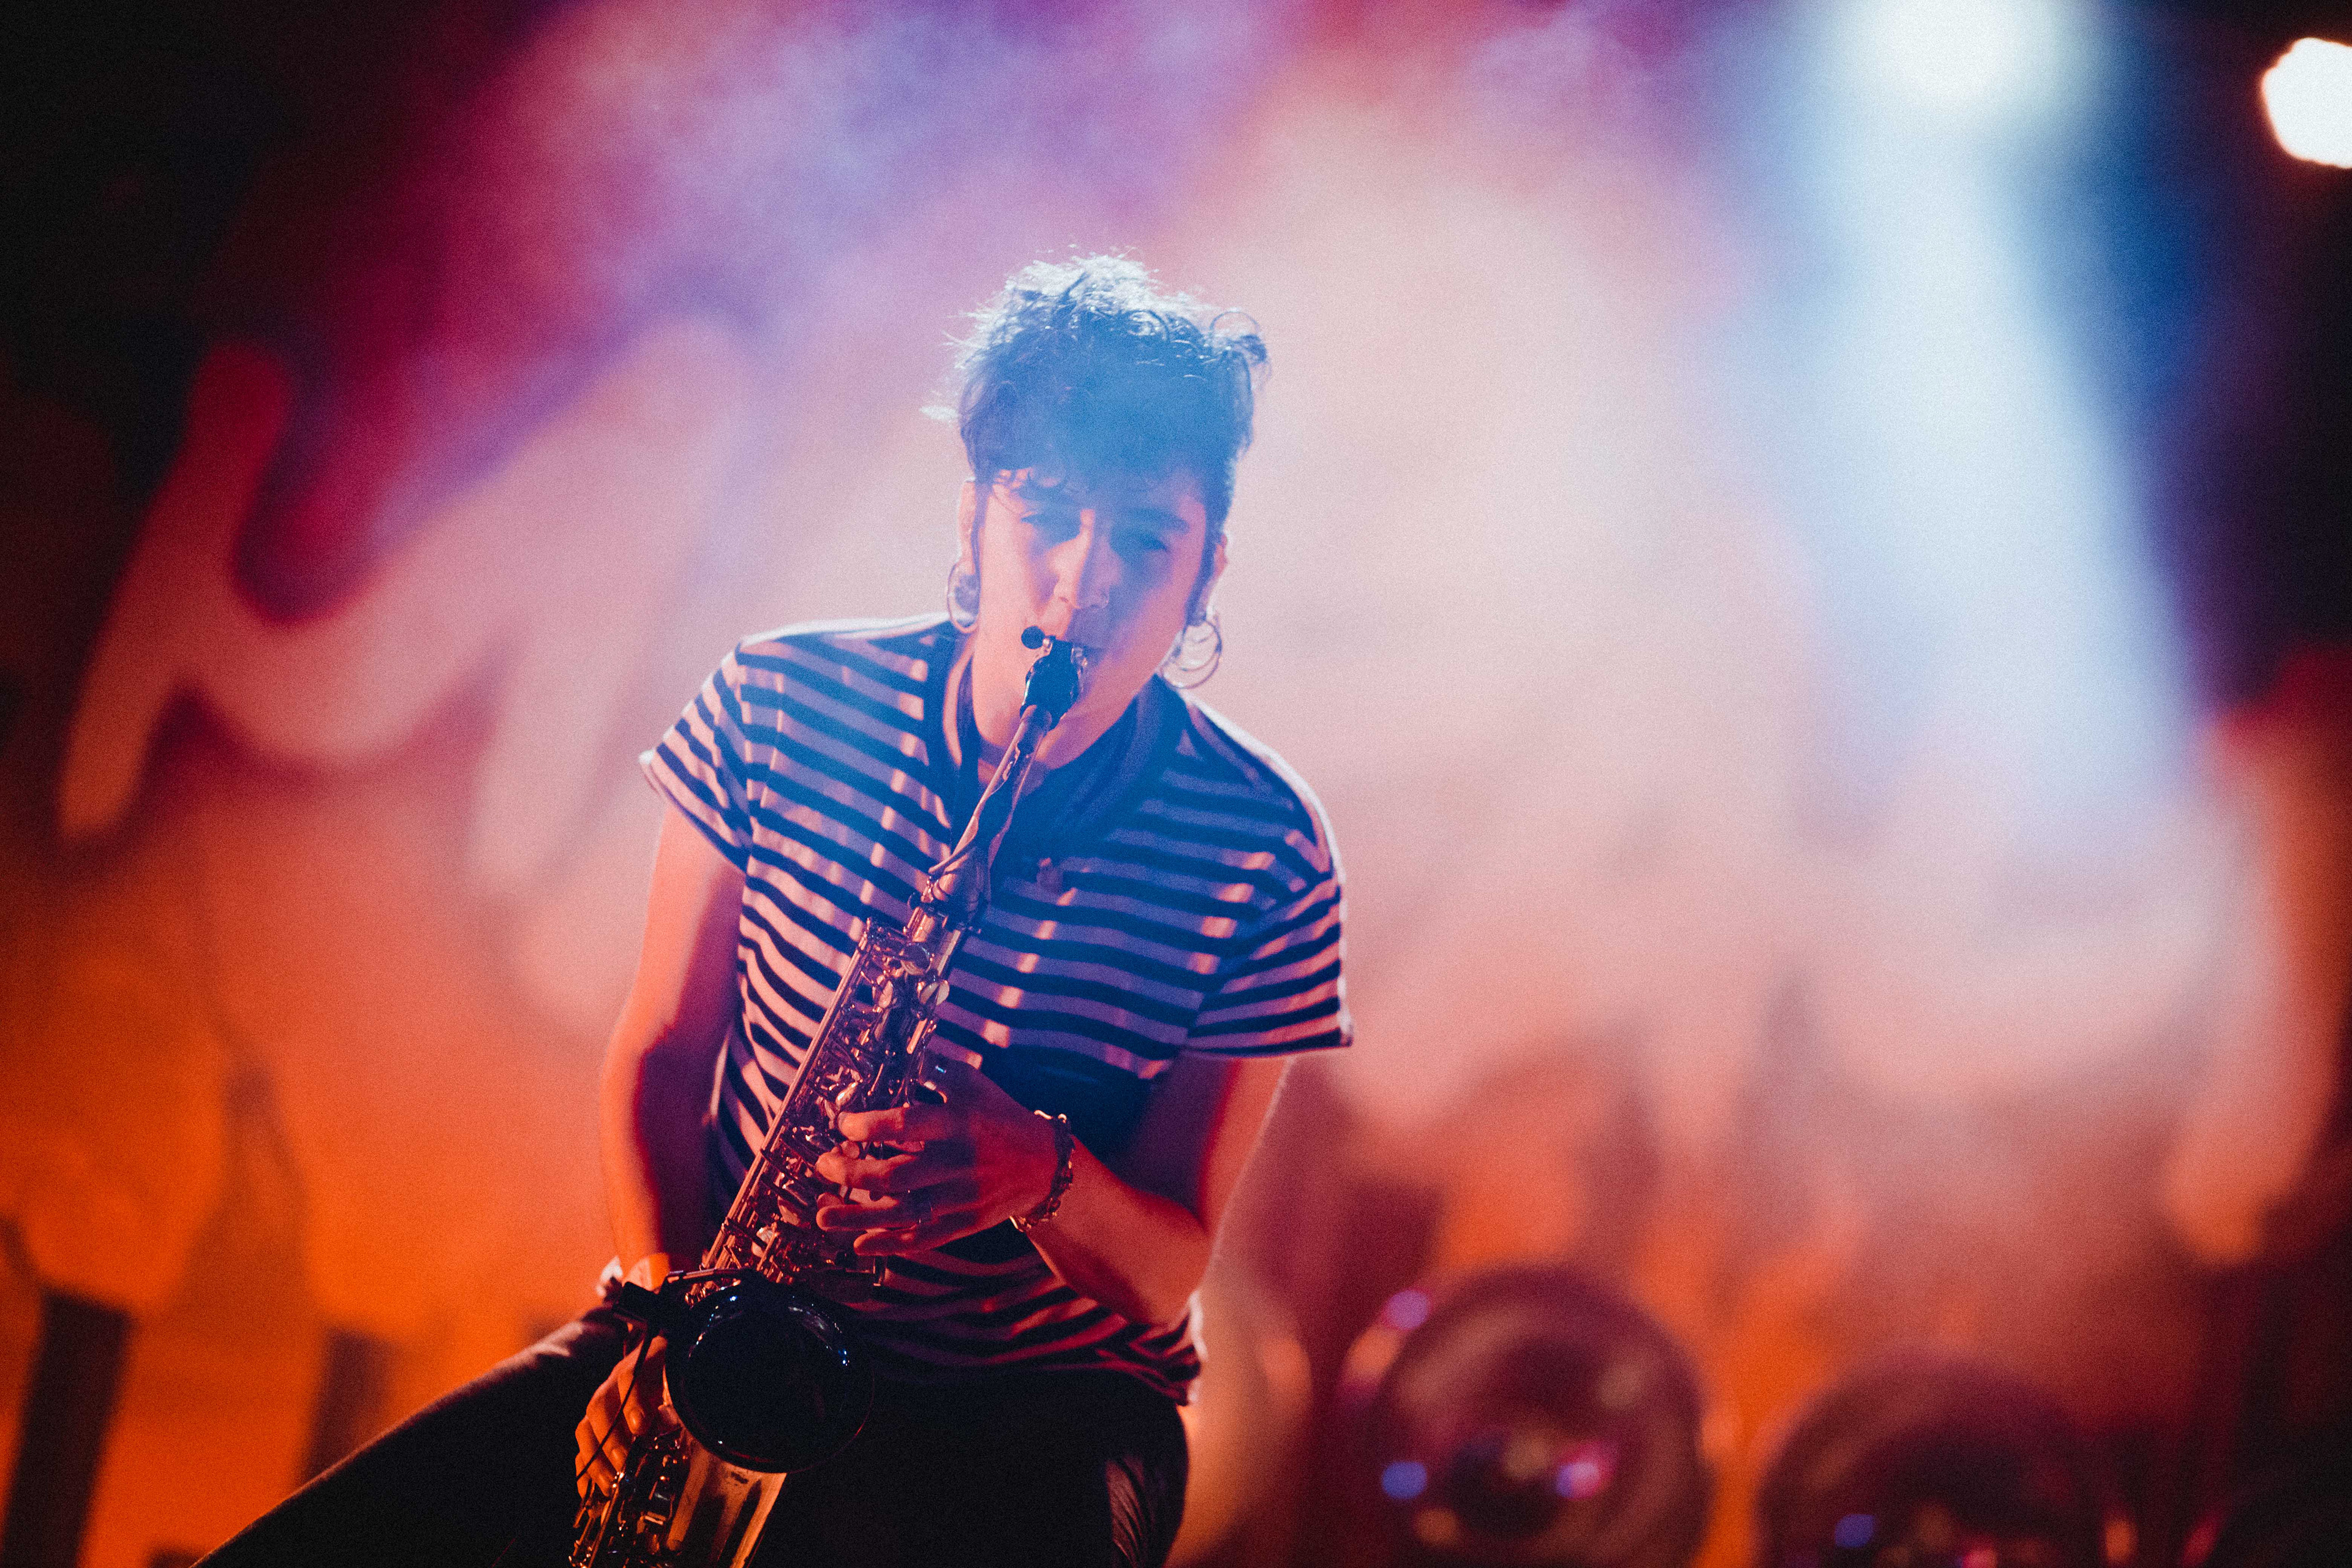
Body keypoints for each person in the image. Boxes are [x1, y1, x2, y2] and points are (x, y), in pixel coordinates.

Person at [198, 256, 1349, 1568]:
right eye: (1047, 512)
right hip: (727, 1320)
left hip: (1041, 1405)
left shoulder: (1269, 849)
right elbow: (663, 1050)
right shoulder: (778, 704)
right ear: (974, 512)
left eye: (1147, 539)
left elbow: (1166, 1271)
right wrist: (669, 1321)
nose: (1084, 582)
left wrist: (1037, 1172)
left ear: (1206, 572)